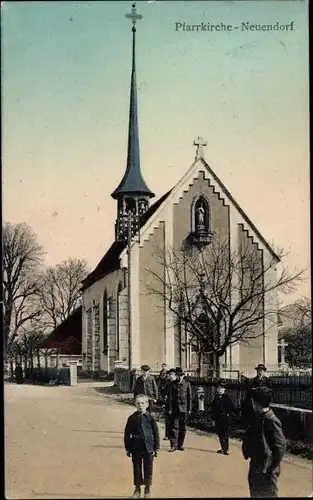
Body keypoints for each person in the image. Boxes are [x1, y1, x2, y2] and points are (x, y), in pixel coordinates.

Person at [242, 387, 286, 498]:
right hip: (256, 466)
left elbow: (280, 446)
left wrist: (271, 467)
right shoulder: (257, 417)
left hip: (267, 469)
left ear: (256, 403)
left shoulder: (271, 420)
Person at [124, 394, 160, 499]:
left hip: (149, 446)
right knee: (137, 468)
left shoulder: (150, 418)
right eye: (138, 403)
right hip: (136, 447)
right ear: (135, 404)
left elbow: (156, 433)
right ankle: (137, 489)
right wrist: (128, 448)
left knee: (148, 468)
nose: (140, 405)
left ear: (147, 404)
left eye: (143, 403)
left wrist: (156, 448)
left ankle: (147, 489)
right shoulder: (132, 418)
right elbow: (127, 434)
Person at [167, 367, 192, 452]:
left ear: (183, 376)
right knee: (174, 427)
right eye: (178, 375)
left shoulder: (187, 384)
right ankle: (173, 445)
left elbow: (189, 398)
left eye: (181, 375)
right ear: (176, 375)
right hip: (174, 409)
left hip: (184, 409)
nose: (179, 377)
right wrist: (170, 408)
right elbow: (169, 398)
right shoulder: (172, 384)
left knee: (183, 428)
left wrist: (189, 409)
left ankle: (180, 445)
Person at [210, 379, 236, 456]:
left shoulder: (227, 398)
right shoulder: (216, 398)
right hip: (218, 419)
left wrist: (228, 414)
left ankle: (226, 449)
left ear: (224, 389)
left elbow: (231, 408)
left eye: (222, 388)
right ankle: (222, 447)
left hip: (225, 419)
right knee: (220, 434)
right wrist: (213, 419)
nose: (220, 389)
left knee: (225, 434)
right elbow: (213, 409)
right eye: (218, 388)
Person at [163, 369, 176, 441]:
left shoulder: (176, 384)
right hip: (168, 404)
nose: (171, 376)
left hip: (175, 404)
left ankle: (173, 435)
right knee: (168, 420)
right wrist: (165, 396)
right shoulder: (168, 383)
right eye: (170, 374)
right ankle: (167, 435)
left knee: (174, 421)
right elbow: (164, 392)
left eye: (172, 374)